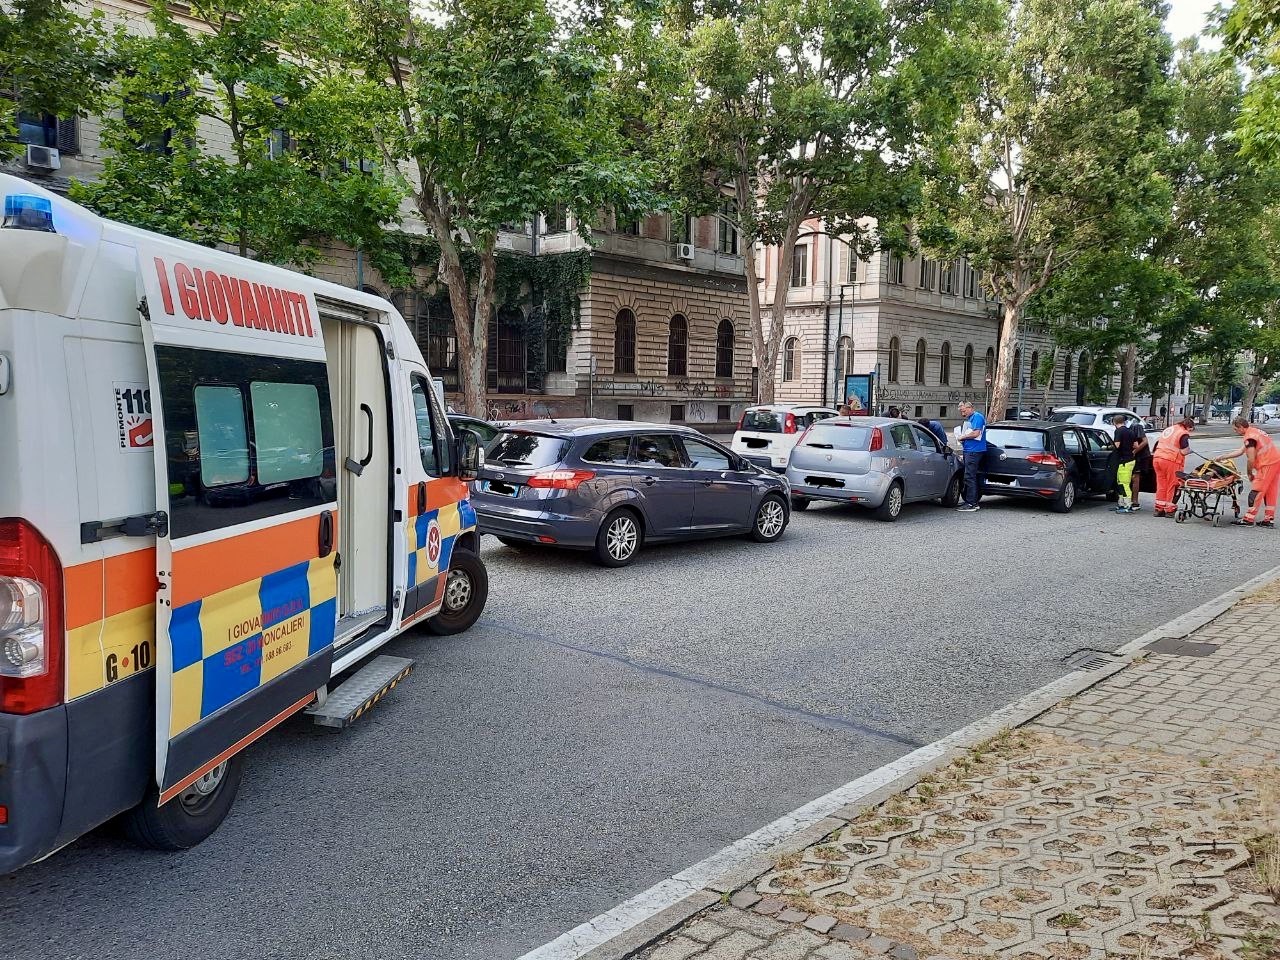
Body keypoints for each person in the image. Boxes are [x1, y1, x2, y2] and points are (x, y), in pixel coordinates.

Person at [1220, 416, 1280, 527]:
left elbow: (1251, 459)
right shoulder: (1254, 432)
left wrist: (1249, 473)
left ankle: (1248, 519)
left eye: (1235, 429)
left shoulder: (1250, 438)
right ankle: (1268, 519)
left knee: (1256, 491)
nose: (1235, 431)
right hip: (1275, 462)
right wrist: (1223, 456)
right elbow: (1241, 451)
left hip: (1266, 464)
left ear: (1241, 427)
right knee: (1270, 491)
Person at [1151, 415, 1196, 518]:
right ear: (1189, 427)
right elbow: (1184, 451)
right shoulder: (1183, 433)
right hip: (1171, 461)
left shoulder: (1170, 429)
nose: (1190, 432)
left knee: (1161, 484)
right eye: (1191, 430)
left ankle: (1159, 509)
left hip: (1157, 458)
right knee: (1173, 484)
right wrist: (1189, 450)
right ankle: (1169, 510)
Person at [956, 400, 987, 513]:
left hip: (974, 451)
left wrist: (962, 437)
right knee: (969, 475)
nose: (962, 414)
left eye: (964, 411)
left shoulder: (977, 417)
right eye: (961, 412)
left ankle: (972, 503)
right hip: (970, 450)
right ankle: (970, 501)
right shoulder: (971, 418)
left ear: (970, 408)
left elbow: (976, 433)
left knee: (969, 476)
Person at [1111, 414, 1145, 514]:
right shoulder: (1130, 431)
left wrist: (1108, 447)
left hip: (1123, 461)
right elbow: (1136, 445)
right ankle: (1121, 503)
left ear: (1114, 422)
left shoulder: (1118, 431)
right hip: (1130, 460)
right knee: (1121, 482)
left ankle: (1127, 504)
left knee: (1123, 483)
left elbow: (1117, 445)